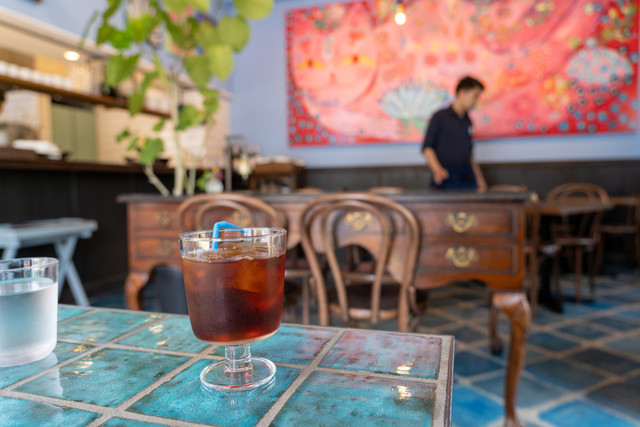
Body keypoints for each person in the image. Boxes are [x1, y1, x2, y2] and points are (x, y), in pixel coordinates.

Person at [422, 76, 487, 191]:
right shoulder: (439, 117)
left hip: (467, 177)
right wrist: (437, 170)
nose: (476, 101)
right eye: (474, 96)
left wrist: (479, 179)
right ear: (462, 93)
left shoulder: (468, 121)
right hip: (446, 177)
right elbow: (427, 148)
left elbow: (469, 154)